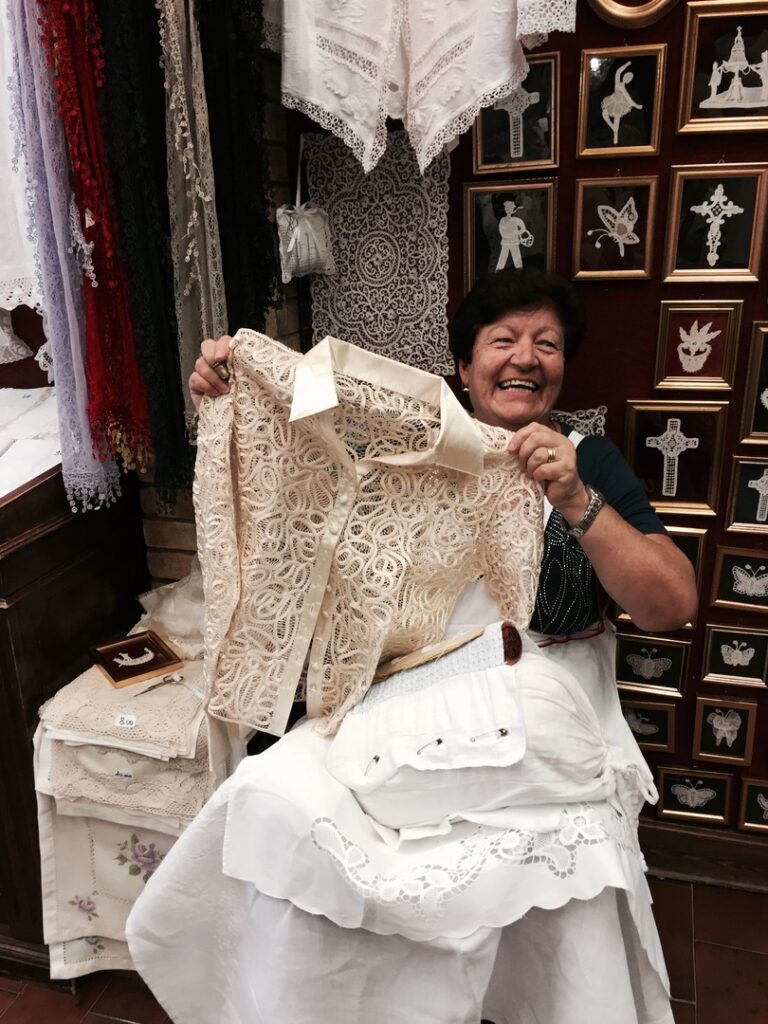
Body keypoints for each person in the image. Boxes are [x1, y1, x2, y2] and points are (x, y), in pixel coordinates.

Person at [130, 269, 696, 1024]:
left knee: (559, 834)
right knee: (264, 800)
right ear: (464, 368)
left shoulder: (585, 459)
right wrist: (230, 402)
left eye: (547, 344)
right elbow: (292, 516)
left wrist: (576, 500)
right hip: (399, 691)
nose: (526, 357)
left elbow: (672, 604)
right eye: (503, 340)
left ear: (563, 369)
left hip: (539, 687)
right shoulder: (399, 447)